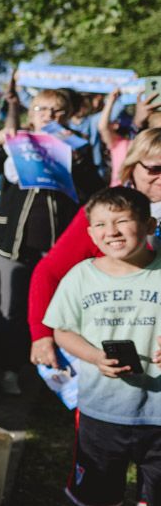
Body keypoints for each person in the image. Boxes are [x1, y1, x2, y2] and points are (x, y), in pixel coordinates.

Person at [40, 186, 161, 506]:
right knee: (96, 500)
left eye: (122, 220)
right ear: (90, 233)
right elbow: (61, 330)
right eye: (101, 224)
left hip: (158, 416)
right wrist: (93, 356)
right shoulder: (80, 276)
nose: (111, 231)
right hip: (102, 413)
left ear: (149, 225)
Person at [0, 79, 104, 395]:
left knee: (56, 308)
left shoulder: (77, 147)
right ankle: (10, 367)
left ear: (69, 115)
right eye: (43, 109)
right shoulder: (17, 141)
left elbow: (95, 193)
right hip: (15, 241)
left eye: (58, 110)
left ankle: (54, 368)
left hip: (57, 247)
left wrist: (76, 160)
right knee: (11, 308)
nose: (50, 115)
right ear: (32, 112)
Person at [30, 129, 161, 372]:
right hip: (110, 351)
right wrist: (42, 334)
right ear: (132, 166)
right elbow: (49, 271)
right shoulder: (102, 216)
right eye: (155, 168)